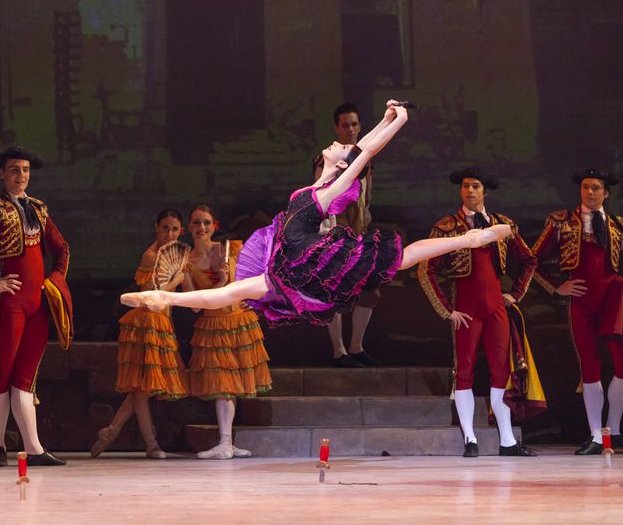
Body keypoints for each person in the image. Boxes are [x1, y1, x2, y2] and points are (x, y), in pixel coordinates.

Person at [121, 101, 512, 336]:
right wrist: (389, 118)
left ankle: (473, 239)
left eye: (338, 147)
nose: (334, 144)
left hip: (302, 252)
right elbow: (357, 149)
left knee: (403, 256)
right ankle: (164, 298)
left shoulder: (324, 194)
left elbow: (365, 151)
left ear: (338, 163)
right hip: (293, 259)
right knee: (233, 294)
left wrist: (398, 120)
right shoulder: (318, 185)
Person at [0, 146, 71, 467]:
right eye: (13, 170)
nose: (20, 176)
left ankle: (33, 449)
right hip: (9, 302)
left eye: (24, 170)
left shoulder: (38, 208)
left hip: (37, 303)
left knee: (25, 377)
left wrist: (56, 281)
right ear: (1, 173)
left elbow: (62, 248)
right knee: (3, 373)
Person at [418, 167, 538, 457]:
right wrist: (447, 310)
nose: (469, 191)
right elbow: (425, 269)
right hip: (467, 309)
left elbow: (529, 260)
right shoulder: (446, 226)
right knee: (465, 372)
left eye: (475, 187)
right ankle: (470, 438)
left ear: (485, 192)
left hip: (496, 306)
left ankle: (507, 440)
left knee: (501, 371)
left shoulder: (503, 225)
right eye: (465, 187)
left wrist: (515, 294)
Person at [531, 168, 623, 454]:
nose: (590, 192)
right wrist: (558, 286)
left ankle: (614, 430)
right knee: (590, 366)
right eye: (586, 187)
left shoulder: (618, 225)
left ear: (605, 193)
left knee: (622, 364)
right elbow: (532, 260)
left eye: (596, 188)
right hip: (581, 301)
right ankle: (597, 435)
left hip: (612, 300)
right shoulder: (562, 223)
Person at [91, 209, 190, 459]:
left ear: (181, 231)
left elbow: (188, 294)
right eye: (165, 228)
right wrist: (175, 280)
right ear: (156, 228)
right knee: (143, 388)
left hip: (162, 322)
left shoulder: (178, 255)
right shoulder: (150, 256)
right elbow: (149, 292)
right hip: (146, 321)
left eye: (174, 229)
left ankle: (112, 431)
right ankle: (150, 443)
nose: (169, 234)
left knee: (141, 389)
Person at [182, 205, 272, 459]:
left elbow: (255, 279)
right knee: (221, 383)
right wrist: (220, 282)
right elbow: (193, 304)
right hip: (213, 324)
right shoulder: (186, 263)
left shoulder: (231, 249)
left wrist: (256, 300)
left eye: (206, 223)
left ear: (215, 226)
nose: (201, 228)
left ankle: (227, 442)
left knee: (231, 384)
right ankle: (225, 441)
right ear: (189, 227)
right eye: (197, 223)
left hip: (238, 321)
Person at [313, 102, 381, 368]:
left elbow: (366, 201)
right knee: (334, 293)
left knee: (370, 292)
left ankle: (356, 346)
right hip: (334, 235)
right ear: (336, 128)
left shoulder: (365, 160)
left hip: (359, 234)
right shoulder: (327, 159)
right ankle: (338, 351)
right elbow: (319, 197)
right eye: (345, 125)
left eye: (354, 124)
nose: (350, 129)